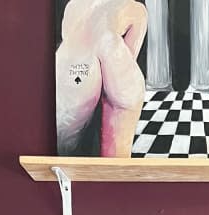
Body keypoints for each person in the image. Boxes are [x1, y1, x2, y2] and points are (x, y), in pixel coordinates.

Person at [56, 0, 148, 157]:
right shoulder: (137, 9)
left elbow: (69, 36)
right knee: (115, 168)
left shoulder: (72, 5)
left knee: (66, 152)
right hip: (117, 63)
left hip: (76, 67)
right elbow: (130, 55)